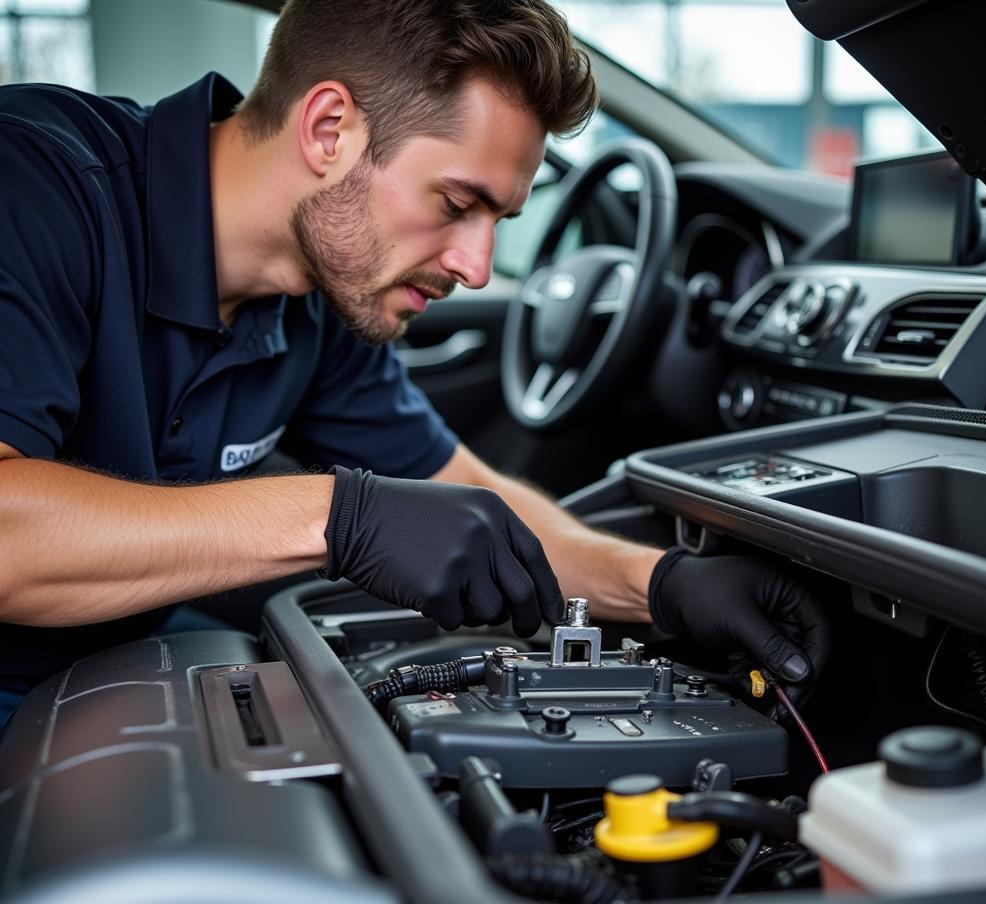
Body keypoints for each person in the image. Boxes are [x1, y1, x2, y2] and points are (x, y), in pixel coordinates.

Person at [0, 0, 828, 722]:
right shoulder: (36, 186)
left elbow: (464, 501)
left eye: (499, 220)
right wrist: (342, 518)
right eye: (458, 204)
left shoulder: (318, 299)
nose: (476, 264)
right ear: (330, 130)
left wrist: (665, 586)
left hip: (96, 679)